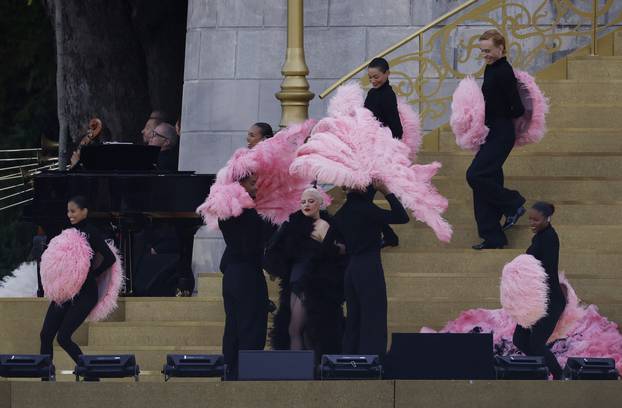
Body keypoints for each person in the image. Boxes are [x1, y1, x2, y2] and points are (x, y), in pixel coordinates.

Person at [264, 188, 346, 359]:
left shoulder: (324, 225)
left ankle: (302, 369)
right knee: (297, 328)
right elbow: (282, 249)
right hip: (295, 280)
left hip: (311, 282)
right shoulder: (293, 225)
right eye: (303, 202)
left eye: (311, 201)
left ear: (320, 203)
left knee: (297, 328)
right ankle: (303, 368)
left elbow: (323, 255)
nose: (306, 205)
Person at [334, 180, 409, 357]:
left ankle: (350, 360)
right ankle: (372, 360)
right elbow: (402, 217)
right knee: (373, 316)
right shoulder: (367, 209)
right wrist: (386, 191)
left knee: (354, 318)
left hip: (351, 270)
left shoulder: (342, 212)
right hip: (368, 265)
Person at [468, 30, 526, 250]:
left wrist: (498, 112)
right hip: (491, 130)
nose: (486, 55)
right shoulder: (491, 68)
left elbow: (517, 107)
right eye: (483, 51)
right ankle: (493, 237)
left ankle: (514, 203)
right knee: (486, 182)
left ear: (501, 48)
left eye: (489, 50)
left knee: (475, 175)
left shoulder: (504, 71)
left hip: (501, 131)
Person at [39, 196, 115, 365]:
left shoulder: (91, 232)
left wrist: (93, 273)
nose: (69, 215)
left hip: (85, 293)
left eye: (73, 211)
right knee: (45, 335)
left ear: (84, 211)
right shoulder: (68, 231)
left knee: (64, 337)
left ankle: (90, 373)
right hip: (66, 290)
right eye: (68, 211)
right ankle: (45, 378)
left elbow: (110, 258)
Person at [218, 174, 272, 380]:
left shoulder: (228, 210)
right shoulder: (250, 213)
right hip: (247, 274)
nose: (258, 185)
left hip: (232, 274)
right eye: (252, 183)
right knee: (252, 327)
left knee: (233, 327)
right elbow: (253, 245)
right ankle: (246, 379)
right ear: (239, 185)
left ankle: (230, 375)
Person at [512, 201, 566, 379]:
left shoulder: (550, 237)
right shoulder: (540, 237)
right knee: (520, 339)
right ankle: (539, 369)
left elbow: (546, 269)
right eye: (530, 219)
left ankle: (561, 376)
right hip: (534, 299)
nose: (532, 223)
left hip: (550, 300)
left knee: (536, 343)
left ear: (547, 219)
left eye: (536, 220)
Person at [364, 57, 403, 247]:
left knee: (363, 198)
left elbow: (397, 129)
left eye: (377, 77)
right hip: (369, 152)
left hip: (381, 154)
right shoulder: (372, 93)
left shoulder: (388, 95)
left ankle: (389, 235)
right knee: (363, 199)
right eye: (370, 77)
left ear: (387, 74)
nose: (373, 81)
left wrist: (387, 151)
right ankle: (389, 235)